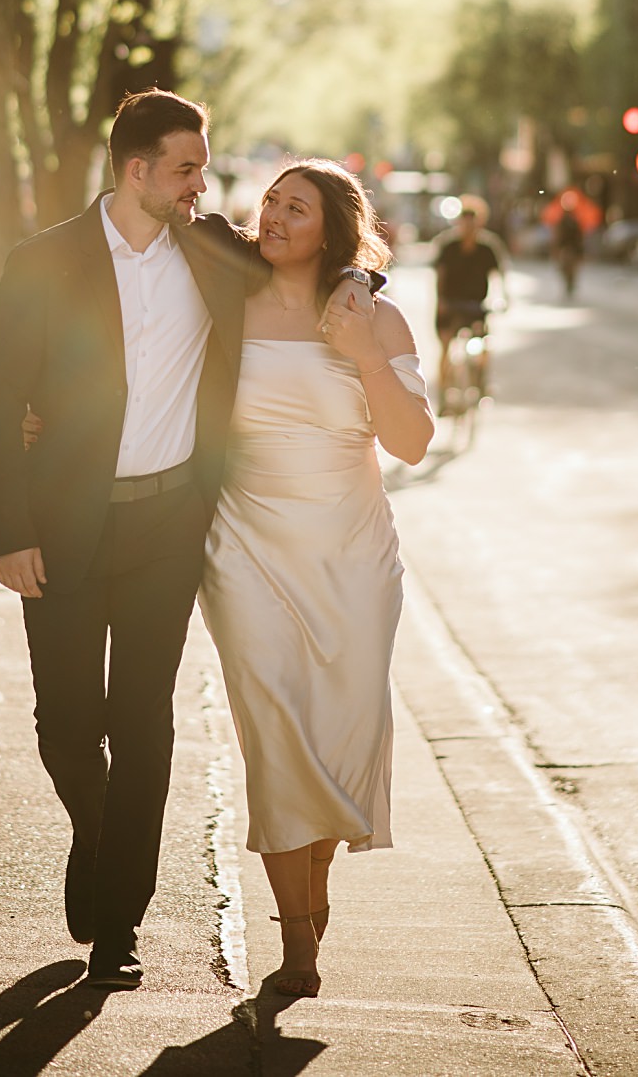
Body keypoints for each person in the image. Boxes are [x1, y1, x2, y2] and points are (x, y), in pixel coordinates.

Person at [0, 89, 367, 990]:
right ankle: (97, 829)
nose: (202, 183)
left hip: (168, 524)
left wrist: (359, 283)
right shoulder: (41, 261)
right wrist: (8, 531)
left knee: (144, 725)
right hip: (63, 525)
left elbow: (307, 269)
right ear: (137, 168)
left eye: (203, 167)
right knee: (66, 725)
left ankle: (120, 926)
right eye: (186, 167)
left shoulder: (214, 250)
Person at [197, 161, 434, 997]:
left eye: (295, 206)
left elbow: (409, 440)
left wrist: (365, 349)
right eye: (269, 200)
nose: (273, 214)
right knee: (274, 732)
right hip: (244, 547)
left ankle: (312, 880)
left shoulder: (377, 315)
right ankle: (296, 933)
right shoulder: (222, 301)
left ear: (332, 228)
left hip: (354, 556)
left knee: (340, 733)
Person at [433, 197, 505, 399]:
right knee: (446, 348)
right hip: (449, 305)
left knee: (484, 347)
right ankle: (443, 395)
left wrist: (503, 298)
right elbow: (440, 276)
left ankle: (481, 383)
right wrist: (441, 302)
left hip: (476, 306)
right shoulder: (448, 247)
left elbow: (498, 276)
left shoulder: (487, 249)